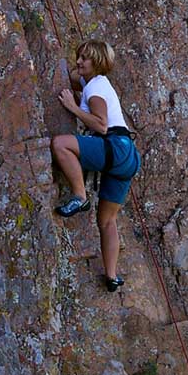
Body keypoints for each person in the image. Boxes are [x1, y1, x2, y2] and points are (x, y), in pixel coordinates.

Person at [50, 39, 141, 292]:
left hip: (114, 147)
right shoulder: (94, 84)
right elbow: (72, 77)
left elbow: (101, 125)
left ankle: (80, 196)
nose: (79, 61)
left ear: (97, 63)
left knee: (60, 144)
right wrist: (78, 73)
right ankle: (111, 276)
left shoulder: (96, 89)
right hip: (127, 157)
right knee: (106, 222)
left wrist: (71, 106)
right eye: (78, 56)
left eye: (85, 58)